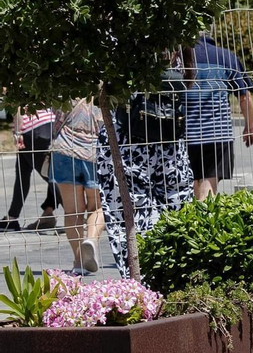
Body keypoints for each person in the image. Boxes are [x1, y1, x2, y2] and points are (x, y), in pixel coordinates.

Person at [97, 51, 194, 274]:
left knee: (126, 219)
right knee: (177, 214)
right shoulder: (179, 48)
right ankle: (172, 278)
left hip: (126, 140)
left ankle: (139, 283)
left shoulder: (122, 47)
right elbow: (188, 80)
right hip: (168, 138)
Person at [186, 34, 253, 201]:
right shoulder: (225, 56)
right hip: (217, 134)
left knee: (187, 186)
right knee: (208, 188)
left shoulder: (180, 57)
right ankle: (205, 214)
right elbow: (244, 97)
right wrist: (249, 127)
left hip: (185, 133)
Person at [50, 98, 104, 273]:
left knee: (72, 211)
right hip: (94, 151)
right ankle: (91, 239)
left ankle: (79, 261)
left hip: (64, 149)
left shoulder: (62, 86)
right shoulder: (104, 88)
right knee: (97, 207)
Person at [1, 107, 58, 232]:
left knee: (52, 177)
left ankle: (76, 214)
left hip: (31, 130)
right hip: (49, 124)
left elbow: (18, 108)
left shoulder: (13, 92)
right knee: (22, 174)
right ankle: (13, 217)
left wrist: (17, 132)